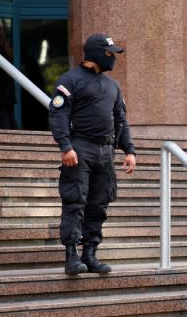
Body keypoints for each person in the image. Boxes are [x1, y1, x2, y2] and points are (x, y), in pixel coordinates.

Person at [49, 33, 137, 276]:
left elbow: (121, 119)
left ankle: (90, 253)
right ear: (98, 53)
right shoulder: (70, 80)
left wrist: (129, 150)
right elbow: (58, 115)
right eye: (110, 53)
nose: (113, 58)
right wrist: (66, 146)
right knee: (75, 201)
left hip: (105, 151)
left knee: (99, 204)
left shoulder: (112, 85)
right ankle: (71, 256)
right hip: (80, 148)